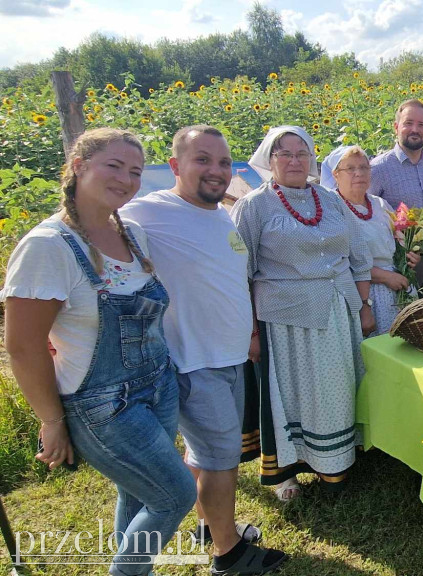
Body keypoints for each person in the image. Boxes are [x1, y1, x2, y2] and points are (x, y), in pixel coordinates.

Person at [1, 128, 196, 576]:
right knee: (175, 495)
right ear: (78, 165)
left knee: (139, 493)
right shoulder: (47, 246)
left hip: (157, 387)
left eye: (133, 171)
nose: (126, 179)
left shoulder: (131, 235)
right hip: (103, 406)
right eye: (114, 166)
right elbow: (24, 346)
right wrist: (52, 421)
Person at [120, 125, 287, 575]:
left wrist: (250, 334)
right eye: (202, 160)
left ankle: (208, 527)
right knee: (221, 459)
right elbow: (91, 225)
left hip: (229, 355)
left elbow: (231, 280)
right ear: (174, 166)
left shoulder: (219, 215)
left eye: (222, 162)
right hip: (194, 359)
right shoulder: (149, 211)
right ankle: (229, 553)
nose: (216, 170)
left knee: (205, 454)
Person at [232, 126, 374, 501]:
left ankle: (338, 459)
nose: (294, 160)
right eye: (284, 153)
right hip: (286, 319)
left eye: (302, 153)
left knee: (339, 388)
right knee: (295, 396)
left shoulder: (331, 200)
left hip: (338, 310)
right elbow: (239, 273)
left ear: (312, 159)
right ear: (269, 159)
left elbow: (358, 257)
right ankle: (287, 471)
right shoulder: (253, 206)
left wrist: (363, 306)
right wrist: (250, 332)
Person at [322, 144, 420, 336]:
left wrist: (409, 256)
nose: (359, 173)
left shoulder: (379, 203)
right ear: (335, 175)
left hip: (397, 287)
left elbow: (396, 243)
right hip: (364, 296)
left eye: (364, 167)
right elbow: (339, 260)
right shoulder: (331, 209)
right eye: (350, 168)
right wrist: (385, 277)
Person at [369, 99, 423, 288]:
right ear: (396, 127)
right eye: (408, 123)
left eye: (421, 125)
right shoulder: (378, 169)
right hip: (400, 265)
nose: (415, 130)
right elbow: (366, 216)